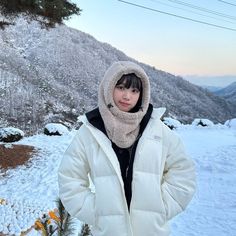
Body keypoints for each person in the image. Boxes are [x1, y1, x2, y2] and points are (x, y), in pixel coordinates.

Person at [58, 61, 196, 236]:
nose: (127, 96)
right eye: (121, 87)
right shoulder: (91, 131)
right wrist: (98, 213)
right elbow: (69, 178)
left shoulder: (156, 130)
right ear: (108, 88)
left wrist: (160, 207)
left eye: (134, 91)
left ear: (142, 94)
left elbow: (183, 172)